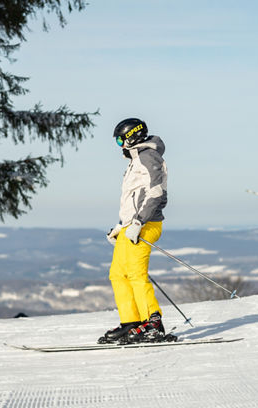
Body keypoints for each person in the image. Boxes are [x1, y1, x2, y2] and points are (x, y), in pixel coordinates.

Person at [99, 117, 168, 344]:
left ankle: (153, 323)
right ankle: (132, 322)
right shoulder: (134, 161)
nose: (119, 145)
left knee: (137, 274)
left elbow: (156, 191)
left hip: (145, 224)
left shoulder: (149, 157)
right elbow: (133, 198)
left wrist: (139, 222)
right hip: (130, 226)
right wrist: (121, 227)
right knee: (118, 274)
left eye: (121, 140)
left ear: (132, 136)